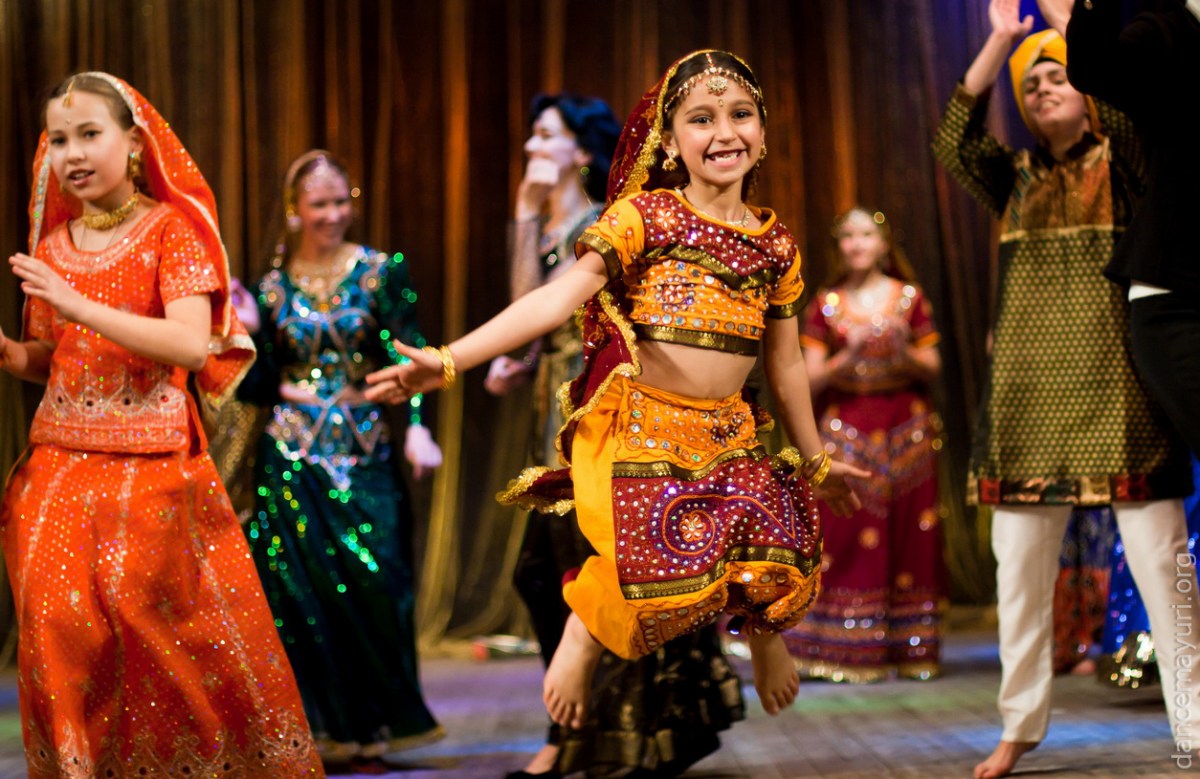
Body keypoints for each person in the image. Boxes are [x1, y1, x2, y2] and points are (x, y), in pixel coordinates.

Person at [365, 49, 869, 732]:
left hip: (727, 431)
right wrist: (450, 359)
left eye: (740, 114)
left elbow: (784, 364)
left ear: (763, 131)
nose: (725, 132)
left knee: (775, 529)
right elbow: (555, 300)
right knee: (659, 553)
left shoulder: (775, 244)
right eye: (702, 118)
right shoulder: (645, 218)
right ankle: (582, 630)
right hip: (639, 427)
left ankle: (762, 632)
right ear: (671, 142)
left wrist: (814, 460)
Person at [0, 72, 323, 777]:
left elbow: (188, 344)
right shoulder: (53, 246)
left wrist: (76, 303)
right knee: (56, 630)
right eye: (59, 139)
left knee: (159, 644)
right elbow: (53, 355)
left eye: (90, 134)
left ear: (135, 145)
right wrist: (11, 353)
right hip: (59, 468)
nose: (73, 153)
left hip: (152, 473)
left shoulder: (172, 230)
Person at [932, 3, 1197, 776]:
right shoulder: (1013, 179)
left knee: (1165, 568)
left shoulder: (1127, 160)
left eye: (1057, 76)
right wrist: (999, 42)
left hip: (1121, 402)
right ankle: (1017, 726)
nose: (1043, 88)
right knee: (1017, 578)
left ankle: (1196, 723)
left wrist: (1065, 17)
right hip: (1025, 408)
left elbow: (1121, 88)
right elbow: (952, 140)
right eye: (1031, 84)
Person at [485, 93, 743, 778]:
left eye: (547, 135)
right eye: (532, 135)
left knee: (594, 575)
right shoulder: (551, 222)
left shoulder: (605, 220)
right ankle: (578, 733)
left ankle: (602, 737)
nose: (533, 147)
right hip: (552, 422)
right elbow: (526, 307)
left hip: (606, 421)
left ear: (580, 148)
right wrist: (523, 215)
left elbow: (559, 312)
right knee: (551, 576)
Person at [236, 150, 444, 770]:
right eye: (318, 204)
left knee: (377, 582)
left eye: (339, 202)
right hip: (290, 455)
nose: (332, 215)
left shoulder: (380, 272)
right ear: (295, 211)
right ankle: (319, 728)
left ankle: (377, 723)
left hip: (364, 451)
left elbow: (412, 356)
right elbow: (258, 385)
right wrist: (247, 332)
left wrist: (417, 428)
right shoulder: (271, 287)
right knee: (299, 595)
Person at [782, 207, 945, 683]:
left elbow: (933, 366)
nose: (857, 244)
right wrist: (849, 353)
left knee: (910, 536)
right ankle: (843, 647)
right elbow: (809, 378)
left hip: (906, 430)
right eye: (848, 236)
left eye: (866, 235)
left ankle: (909, 648)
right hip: (847, 428)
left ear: (884, 243)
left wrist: (902, 351)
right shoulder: (825, 304)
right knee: (847, 533)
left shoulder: (908, 298)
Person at [1039, 0, 1200, 458]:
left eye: (1052, 80)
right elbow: (1099, 69)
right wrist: (1074, 18)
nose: (1044, 91)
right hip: (1180, 298)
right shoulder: (1169, 29)